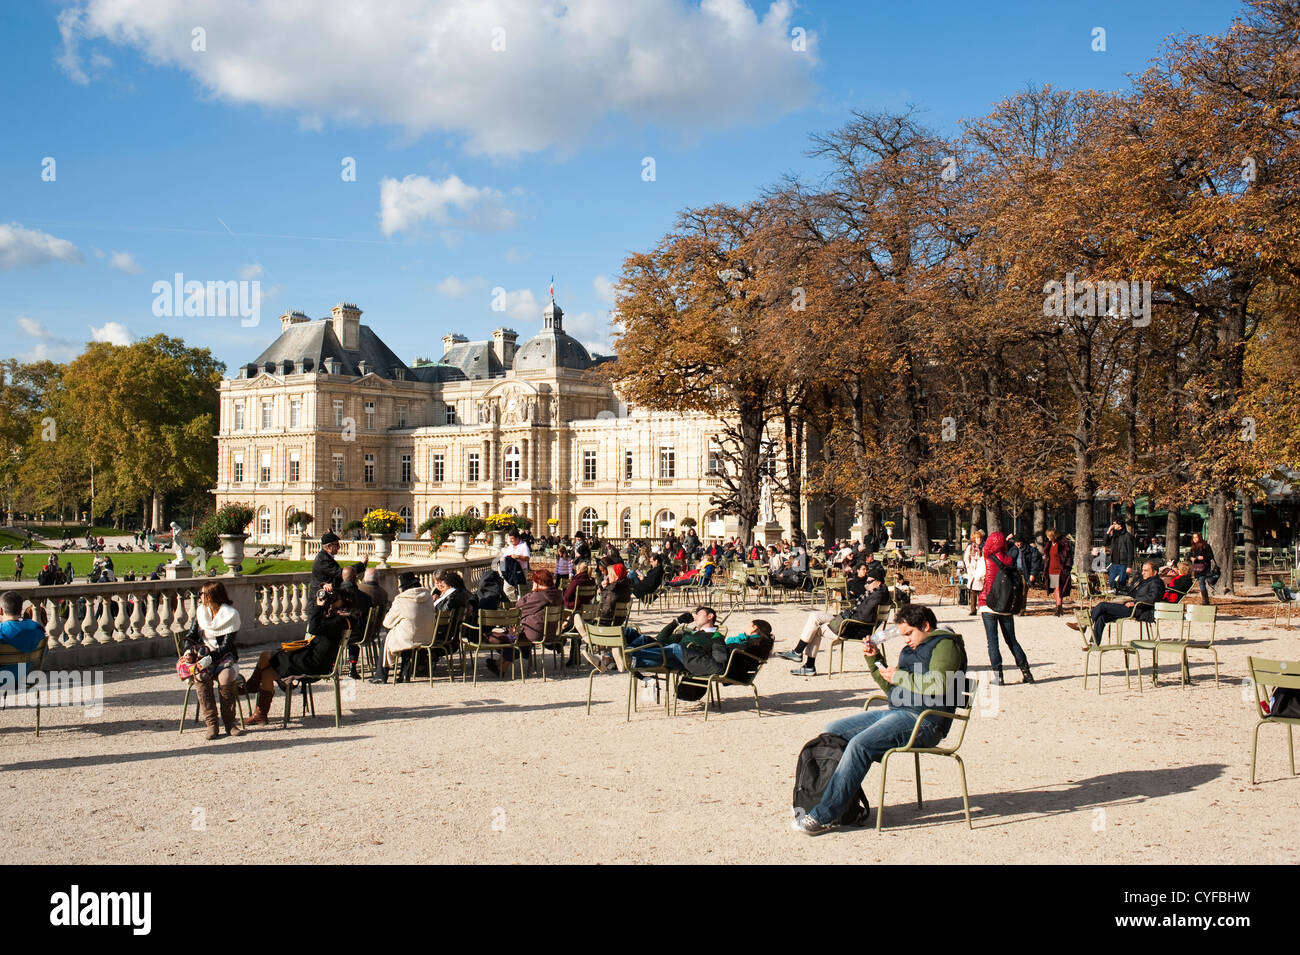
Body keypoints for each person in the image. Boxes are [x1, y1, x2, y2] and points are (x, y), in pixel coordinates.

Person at [792, 604, 967, 835]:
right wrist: (875, 661)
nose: (905, 640)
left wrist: (901, 676)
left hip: (927, 721)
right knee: (832, 731)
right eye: (903, 635)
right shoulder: (913, 648)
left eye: (909, 634)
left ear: (925, 626)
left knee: (860, 745)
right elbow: (893, 690)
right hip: (900, 711)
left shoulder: (945, 644)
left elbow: (941, 684)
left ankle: (825, 815)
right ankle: (837, 803)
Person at [243, 584, 355, 724]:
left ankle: (251, 685)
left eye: (335, 598)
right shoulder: (338, 617)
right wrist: (321, 601)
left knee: (265, 655)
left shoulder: (340, 620)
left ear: (344, 601)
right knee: (266, 674)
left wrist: (320, 607)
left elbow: (313, 628)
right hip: (311, 657)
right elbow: (315, 623)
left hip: (313, 663)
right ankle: (260, 715)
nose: (331, 599)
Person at [779, 564, 891, 676]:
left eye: (869, 582)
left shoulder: (877, 596)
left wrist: (844, 618)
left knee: (816, 629)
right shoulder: (877, 593)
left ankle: (807, 663)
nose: (866, 584)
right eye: (866, 581)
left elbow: (864, 617)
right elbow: (862, 611)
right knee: (814, 616)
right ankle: (799, 653)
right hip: (852, 621)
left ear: (878, 582)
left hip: (854, 628)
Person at [186, 581, 243, 740]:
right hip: (204, 656)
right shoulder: (200, 612)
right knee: (201, 677)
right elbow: (190, 637)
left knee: (225, 678)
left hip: (223, 656)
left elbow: (226, 646)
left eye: (202, 594)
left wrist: (210, 659)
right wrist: (187, 651)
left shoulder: (230, 615)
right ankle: (211, 723)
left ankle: (230, 722)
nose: (200, 597)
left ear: (211, 596)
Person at [486, 568, 565, 676]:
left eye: (534, 582)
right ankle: (500, 665)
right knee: (514, 636)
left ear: (538, 582)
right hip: (551, 632)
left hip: (535, 633)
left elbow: (519, 605)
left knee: (512, 637)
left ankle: (501, 667)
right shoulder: (557, 595)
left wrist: (533, 591)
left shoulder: (538, 596)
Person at [1068, 558, 1166, 645]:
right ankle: (1093, 643)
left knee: (1102, 605)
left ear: (1155, 572)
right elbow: (1130, 592)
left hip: (1139, 609)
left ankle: (1084, 624)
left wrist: (1135, 602)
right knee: (1101, 616)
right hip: (1129, 605)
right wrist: (1119, 588)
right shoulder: (1142, 580)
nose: (1143, 572)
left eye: (1146, 571)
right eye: (1143, 570)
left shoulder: (1156, 582)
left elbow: (1153, 597)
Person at [979, 531, 1034, 685]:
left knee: (993, 642)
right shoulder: (1009, 559)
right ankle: (1026, 672)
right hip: (1005, 604)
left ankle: (999, 676)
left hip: (988, 604)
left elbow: (977, 577)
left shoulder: (986, 560)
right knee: (1012, 640)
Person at [370, 572, 435, 684]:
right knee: (406, 633)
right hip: (427, 636)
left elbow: (387, 622)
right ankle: (404, 673)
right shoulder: (428, 596)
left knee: (389, 638)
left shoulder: (401, 599)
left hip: (410, 637)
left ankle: (381, 675)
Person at [0, 591, 46, 700]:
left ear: (1, 610)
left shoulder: (2, 631)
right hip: (22, 678)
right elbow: (45, 651)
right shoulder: (35, 628)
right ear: (21, 610)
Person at [308, 531, 344, 604]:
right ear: (329, 547)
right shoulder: (323, 559)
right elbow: (340, 573)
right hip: (319, 601)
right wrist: (361, 565)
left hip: (324, 599)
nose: (339, 547)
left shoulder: (325, 557)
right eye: (337, 545)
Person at [1044, 529, 1073, 616]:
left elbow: (1068, 557)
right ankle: (1058, 606)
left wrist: (1067, 568)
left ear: (1053, 536)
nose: (1047, 538)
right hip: (1051, 569)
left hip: (1060, 570)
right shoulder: (1049, 544)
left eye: (1049, 536)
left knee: (1058, 589)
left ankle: (1059, 607)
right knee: (1055, 589)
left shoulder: (1063, 544)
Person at [1105, 519, 1136, 591]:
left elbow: (1130, 552)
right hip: (1114, 563)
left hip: (1123, 563)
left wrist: (1129, 566)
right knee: (1111, 582)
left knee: (1122, 582)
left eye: (1115, 524)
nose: (1113, 525)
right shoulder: (1114, 536)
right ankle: (1114, 592)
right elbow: (1105, 542)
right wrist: (1109, 531)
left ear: (1120, 525)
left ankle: (1121, 594)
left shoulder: (1127, 536)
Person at [962, 530, 986, 616]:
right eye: (976, 538)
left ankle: (982, 607)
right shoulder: (970, 547)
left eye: (979, 538)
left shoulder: (984, 547)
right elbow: (966, 558)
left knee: (982, 590)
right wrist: (968, 567)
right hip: (972, 570)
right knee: (973, 591)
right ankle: (973, 609)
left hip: (981, 569)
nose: (978, 540)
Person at [1188, 532, 1215, 603]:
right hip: (1196, 568)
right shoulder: (1193, 547)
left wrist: (1203, 557)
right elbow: (1189, 556)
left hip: (1204, 567)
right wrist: (1191, 558)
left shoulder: (1205, 546)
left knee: (1201, 581)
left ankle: (1205, 600)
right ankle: (1205, 599)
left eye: (1196, 537)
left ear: (1199, 537)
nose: (1194, 539)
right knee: (1201, 583)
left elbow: (1211, 556)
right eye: (1193, 537)